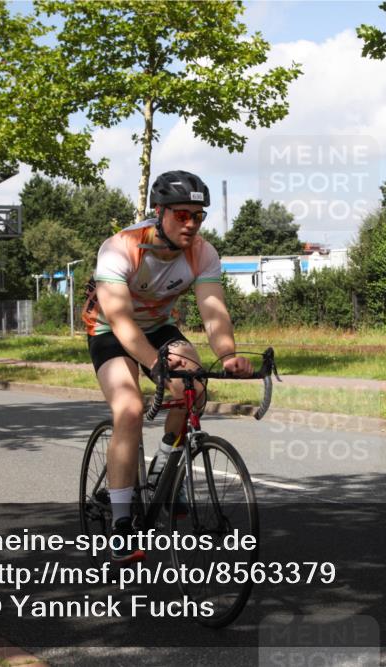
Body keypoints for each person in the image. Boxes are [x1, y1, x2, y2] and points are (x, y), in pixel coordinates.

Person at [83, 170, 253, 564]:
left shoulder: (203, 253)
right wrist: (153, 364)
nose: (191, 224)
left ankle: (163, 469)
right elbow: (121, 321)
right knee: (129, 409)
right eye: (181, 215)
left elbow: (213, 311)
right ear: (158, 212)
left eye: (198, 216)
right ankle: (121, 524)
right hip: (109, 328)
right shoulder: (120, 248)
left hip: (157, 326)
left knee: (195, 387)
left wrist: (228, 355)